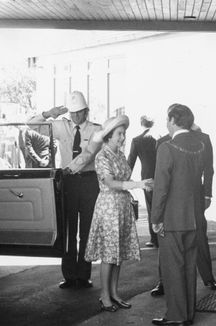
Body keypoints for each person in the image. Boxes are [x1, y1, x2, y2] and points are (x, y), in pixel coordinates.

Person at [29, 91, 102, 289]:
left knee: (87, 230)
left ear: (86, 111)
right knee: (69, 230)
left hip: (89, 182)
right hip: (68, 182)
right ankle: (69, 275)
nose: (76, 116)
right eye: (72, 113)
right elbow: (31, 125)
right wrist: (47, 114)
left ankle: (84, 275)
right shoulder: (61, 126)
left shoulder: (97, 130)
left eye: (79, 112)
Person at [85, 115, 152, 312]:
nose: (123, 137)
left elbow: (123, 179)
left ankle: (114, 292)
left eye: (124, 133)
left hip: (122, 206)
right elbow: (111, 183)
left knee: (118, 253)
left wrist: (136, 185)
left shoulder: (120, 155)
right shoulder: (102, 156)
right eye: (119, 134)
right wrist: (139, 184)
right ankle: (104, 295)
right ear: (108, 136)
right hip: (109, 207)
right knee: (109, 254)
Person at [150, 122, 216, 297]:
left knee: (199, 238)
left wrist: (207, 195)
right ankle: (163, 281)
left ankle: (208, 277)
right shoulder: (163, 142)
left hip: (194, 201)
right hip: (174, 206)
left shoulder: (203, 139)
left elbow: (209, 170)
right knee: (170, 247)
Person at [151, 104, 205, 326]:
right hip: (194, 217)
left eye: (167, 119)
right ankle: (188, 314)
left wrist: (155, 219)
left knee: (173, 269)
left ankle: (176, 316)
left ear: (173, 120)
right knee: (189, 267)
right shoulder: (200, 145)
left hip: (172, 219)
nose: (166, 123)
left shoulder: (167, 148)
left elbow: (161, 188)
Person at [128, 115, 158, 248]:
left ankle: (154, 238)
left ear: (141, 123)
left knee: (151, 207)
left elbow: (131, 161)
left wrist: (125, 179)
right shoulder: (161, 138)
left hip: (147, 177)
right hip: (164, 175)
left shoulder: (137, 140)